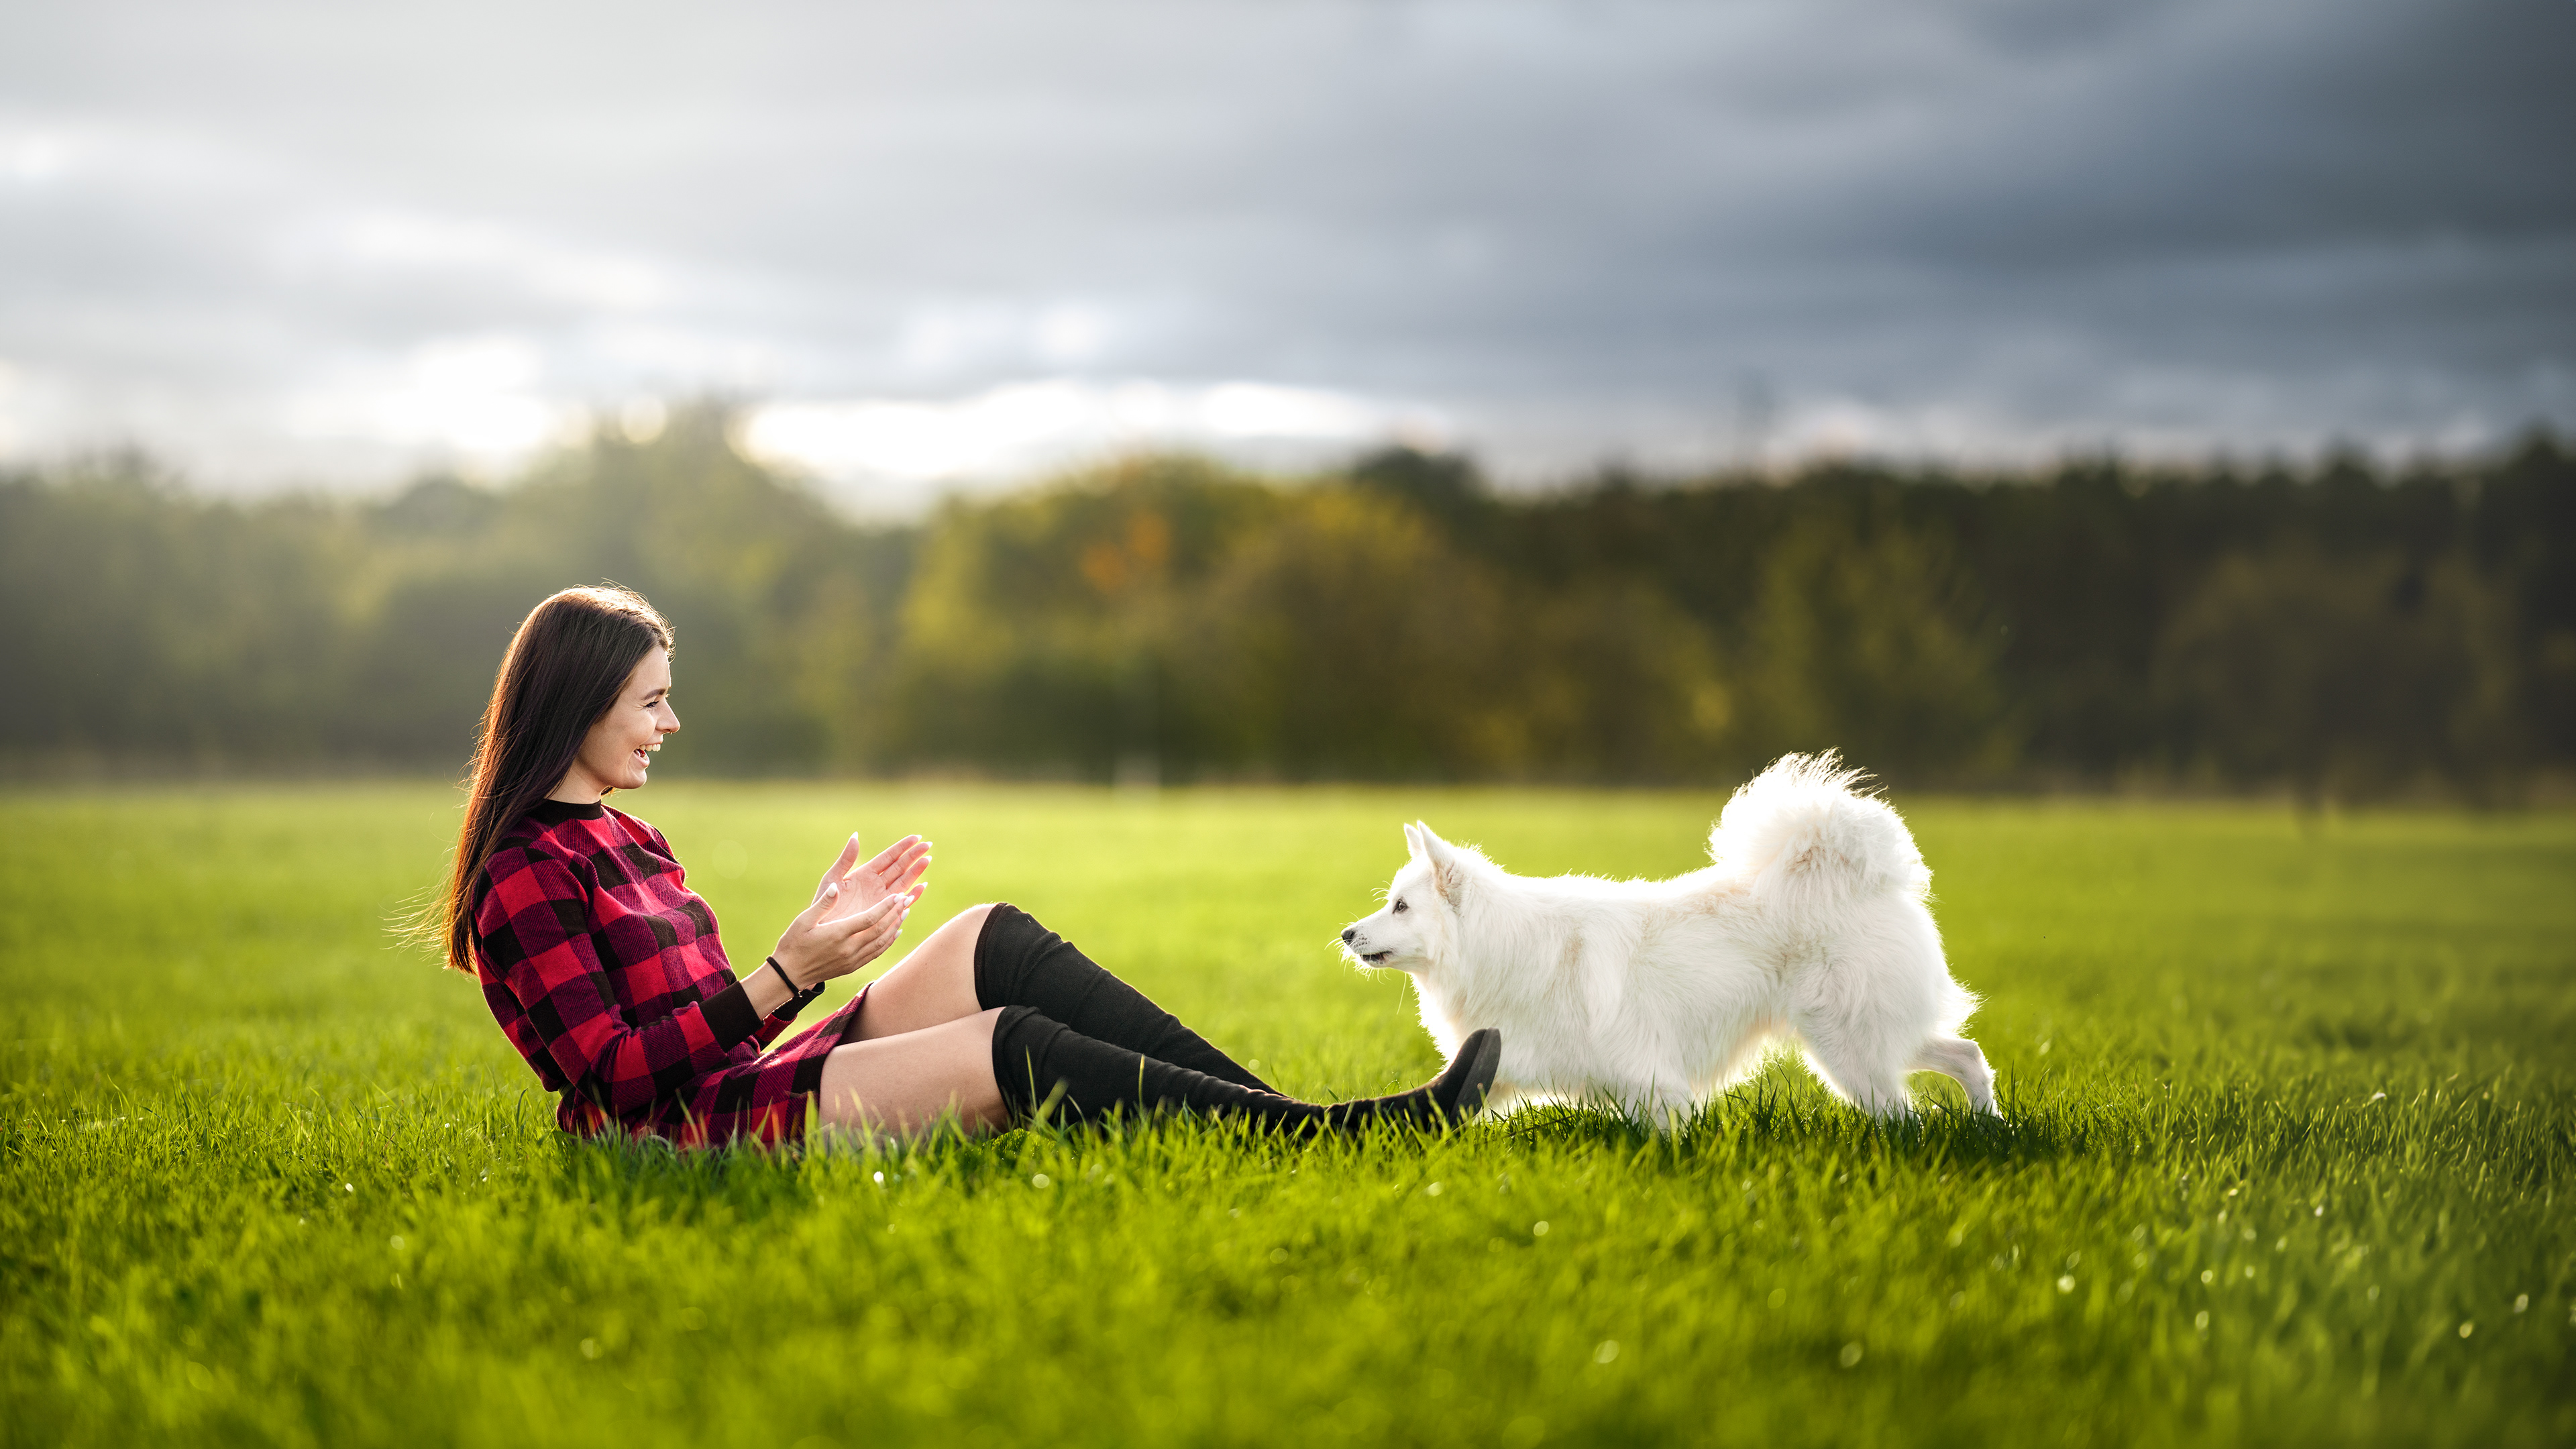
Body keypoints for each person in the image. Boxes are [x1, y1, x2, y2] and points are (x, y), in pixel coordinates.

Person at [426, 584, 1500, 1147]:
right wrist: (790, 972)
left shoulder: (627, 836)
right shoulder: (522, 876)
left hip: (726, 1082)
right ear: (579, 707)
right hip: (671, 1135)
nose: (671, 722)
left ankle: (1302, 1125)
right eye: (651, 701)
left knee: (992, 936)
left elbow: (700, 1019)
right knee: (1009, 1048)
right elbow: (614, 1081)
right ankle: (1342, 1139)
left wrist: (822, 940)